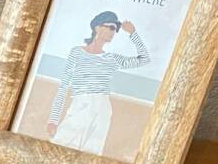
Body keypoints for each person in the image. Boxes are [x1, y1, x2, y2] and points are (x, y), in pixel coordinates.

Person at [45, 10, 151, 155]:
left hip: (102, 108)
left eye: (116, 29)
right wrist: (53, 120)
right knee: (60, 148)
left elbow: (144, 59)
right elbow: (63, 87)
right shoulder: (77, 52)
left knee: (91, 153)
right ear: (97, 27)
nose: (113, 32)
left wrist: (133, 33)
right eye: (111, 27)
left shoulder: (111, 59)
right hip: (80, 104)